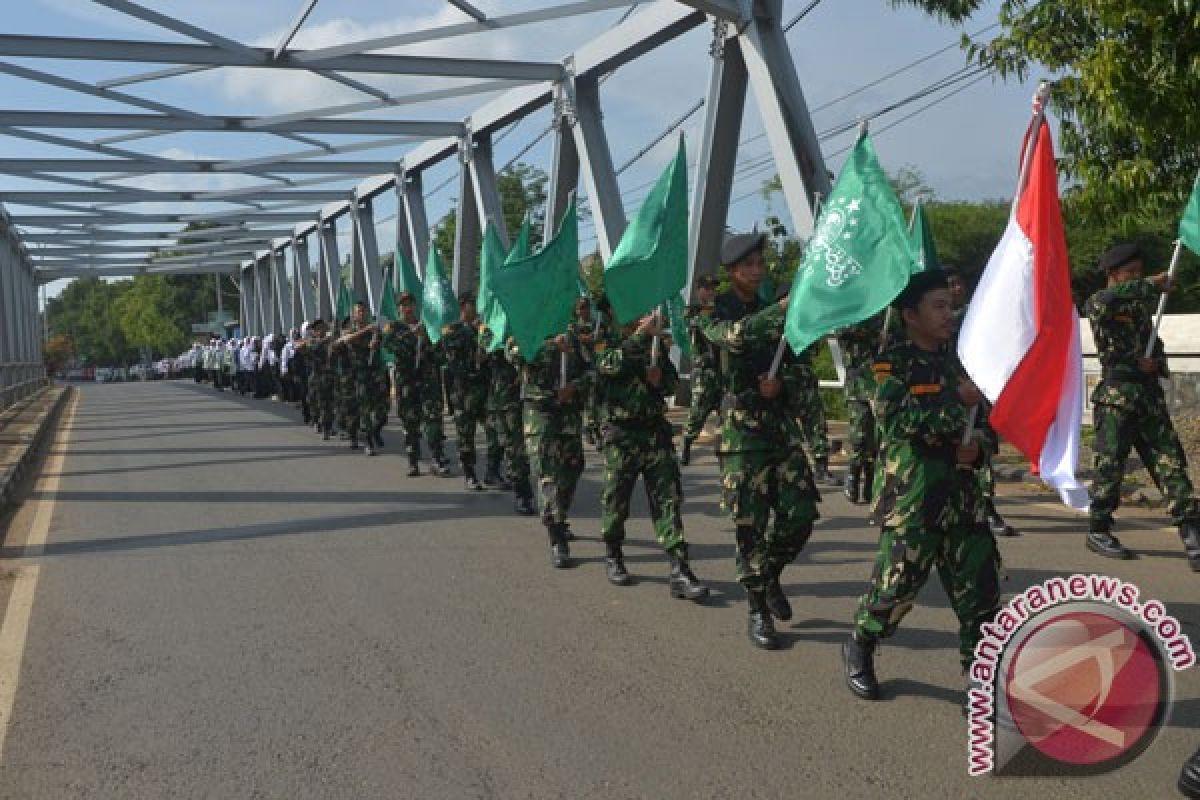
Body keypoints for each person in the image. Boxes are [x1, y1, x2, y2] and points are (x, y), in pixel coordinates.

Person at [843, 269, 1002, 702]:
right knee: (894, 591)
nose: (949, 314)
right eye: (939, 306)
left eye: (950, 306)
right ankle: (861, 642)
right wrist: (957, 404)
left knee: (982, 599)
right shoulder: (885, 364)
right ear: (910, 314)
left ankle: (979, 680)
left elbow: (990, 424)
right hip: (913, 499)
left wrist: (981, 448)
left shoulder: (964, 360)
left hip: (964, 498)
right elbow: (898, 422)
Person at [696, 232, 820, 650]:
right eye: (747, 265)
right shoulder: (712, 310)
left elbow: (800, 365)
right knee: (750, 524)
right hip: (742, 434)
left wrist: (782, 383)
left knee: (800, 515)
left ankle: (767, 576)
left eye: (759, 264)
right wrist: (780, 313)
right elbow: (732, 337)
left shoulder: (775, 310)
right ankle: (757, 608)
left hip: (780, 430)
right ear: (732, 272)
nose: (756, 270)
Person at [1083, 243, 1199, 568]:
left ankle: (1192, 533)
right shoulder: (1100, 303)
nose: (1135, 278)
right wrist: (1149, 282)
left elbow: (1156, 347)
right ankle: (1099, 528)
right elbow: (1104, 302)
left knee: (1170, 463)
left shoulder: (1138, 310)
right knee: (1110, 466)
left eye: (1138, 272)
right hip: (1117, 399)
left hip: (1148, 399)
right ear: (1112, 275)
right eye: (1129, 274)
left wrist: (1155, 363)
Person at [593, 309, 708, 599]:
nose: (645, 317)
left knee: (668, 499)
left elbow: (670, 383)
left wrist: (660, 378)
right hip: (622, 435)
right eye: (639, 313)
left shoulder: (655, 346)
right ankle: (614, 553)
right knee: (616, 499)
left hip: (655, 434)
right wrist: (639, 337)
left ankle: (679, 568)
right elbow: (606, 366)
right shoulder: (609, 339)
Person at [517, 330, 589, 568]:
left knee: (573, 469)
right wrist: (551, 346)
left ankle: (561, 517)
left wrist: (574, 386)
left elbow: (593, 370)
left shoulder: (573, 336)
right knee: (547, 476)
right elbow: (516, 354)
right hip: (540, 414)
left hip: (568, 416)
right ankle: (557, 537)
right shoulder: (528, 329)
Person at [385, 292, 452, 477]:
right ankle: (413, 461)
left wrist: (427, 338)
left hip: (428, 382)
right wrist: (411, 335)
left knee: (433, 422)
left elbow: (439, 355)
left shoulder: (427, 327)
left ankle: (437, 458)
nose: (406, 307)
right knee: (410, 423)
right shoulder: (394, 328)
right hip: (406, 383)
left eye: (409, 303)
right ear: (398, 307)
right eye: (403, 304)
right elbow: (390, 347)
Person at [481, 327, 536, 515]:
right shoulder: (491, 330)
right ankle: (523, 493)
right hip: (508, 400)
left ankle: (554, 498)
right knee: (515, 449)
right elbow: (484, 355)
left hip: (539, 399)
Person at [442, 291, 491, 490]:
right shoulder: (452, 330)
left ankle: (493, 470)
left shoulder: (484, 329)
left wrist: (483, 334)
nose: (475, 307)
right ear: (463, 306)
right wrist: (473, 333)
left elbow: (492, 349)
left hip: (484, 388)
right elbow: (449, 352)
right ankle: (470, 473)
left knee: (495, 431)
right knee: (466, 435)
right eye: (472, 304)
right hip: (463, 391)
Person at [837, 313, 885, 504]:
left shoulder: (885, 315)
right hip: (858, 385)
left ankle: (871, 482)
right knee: (859, 435)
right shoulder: (853, 314)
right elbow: (843, 330)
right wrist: (874, 331)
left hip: (879, 384)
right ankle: (854, 474)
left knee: (876, 437)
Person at [680, 275, 721, 466]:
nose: (710, 291)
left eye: (713, 287)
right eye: (706, 287)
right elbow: (692, 324)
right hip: (703, 372)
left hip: (722, 371)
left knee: (727, 413)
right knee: (697, 414)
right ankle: (687, 443)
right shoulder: (692, 312)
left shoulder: (722, 310)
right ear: (698, 290)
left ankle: (723, 450)